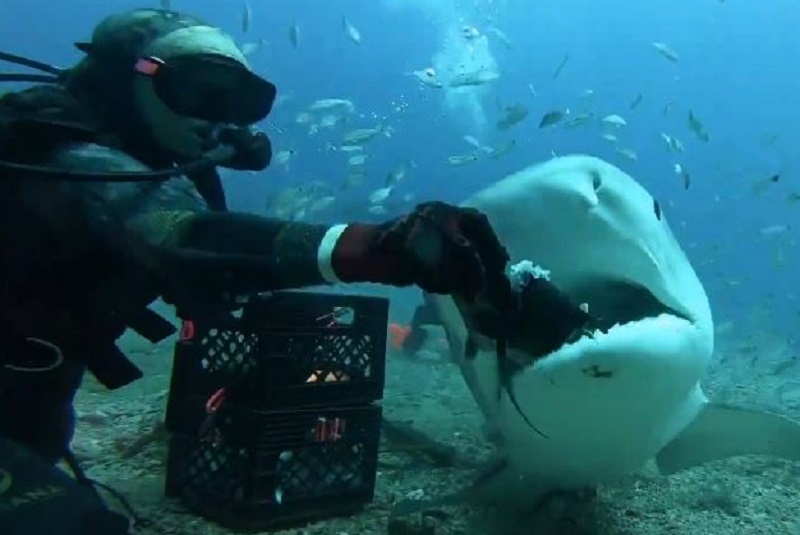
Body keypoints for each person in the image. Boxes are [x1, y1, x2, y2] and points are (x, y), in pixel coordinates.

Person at [0, 8, 515, 468]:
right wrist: (371, 247)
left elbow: (208, 276)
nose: (212, 116)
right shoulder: (63, 153)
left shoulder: (156, 166)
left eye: (233, 100)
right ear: (126, 78)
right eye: (196, 89)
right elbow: (178, 237)